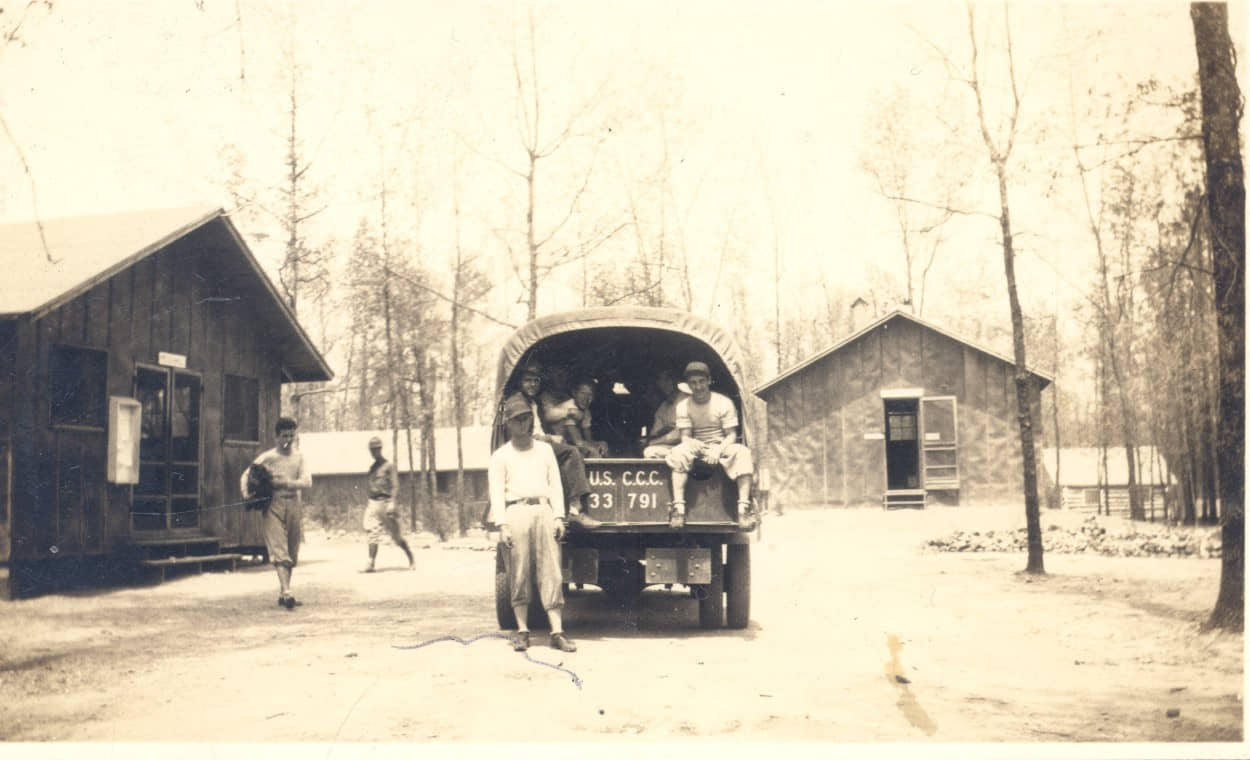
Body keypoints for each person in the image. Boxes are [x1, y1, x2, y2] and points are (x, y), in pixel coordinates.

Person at [488, 393, 578, 653]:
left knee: (551, 570)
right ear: (508, 423)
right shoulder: (501, 456)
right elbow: (496, 492)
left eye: (526, 418)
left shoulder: (545, 450)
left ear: (531, 420)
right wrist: (502, 524)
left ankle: (557, 632)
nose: (522, 424)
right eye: (516, 419)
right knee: (519, 572)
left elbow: (555, 485)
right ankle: (523, 631)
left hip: (543, 509)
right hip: (516, 511)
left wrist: (559, 516)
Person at [664, 361, 757, 530]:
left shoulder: (723, 403)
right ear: (688, 385)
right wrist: (692, 443)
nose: (698, 387)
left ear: (708, 381)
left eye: (701, 381)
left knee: (742, 452)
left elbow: (731, 435)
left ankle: (743, 509)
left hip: (722, 444)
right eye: (693, 383)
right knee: (677, 453)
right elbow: (685, 437)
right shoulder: (683, 406)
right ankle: (679, 509)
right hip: (698, 445)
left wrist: (718, 449)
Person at [513, 361, 601, 529]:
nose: (532, 385)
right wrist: (550, 439)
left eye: (536, 381)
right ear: (520, 382)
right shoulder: (518, 402)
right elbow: (525, 434)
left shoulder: (531, 402)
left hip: (538, 442)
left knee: (573, 452)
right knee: (572, 452)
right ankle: (575, 510)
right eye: (528, 380)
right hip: (528, 447)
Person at [243, 416, 312, 609]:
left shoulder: (300, 457)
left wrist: (286, 483)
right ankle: (288, 592)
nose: (288, 440)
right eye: (284, 436)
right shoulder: (268, 457)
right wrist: (247, 494)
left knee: (292, 552)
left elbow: (307, 481)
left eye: (291, 435)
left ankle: (283, 592)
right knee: (279, 550)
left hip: (294, 506)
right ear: (276, 437)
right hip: (273, 505)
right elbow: (246, 475)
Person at [361, 436, 415, 573]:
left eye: (376, 449)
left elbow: (395, 485)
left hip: (386, 502)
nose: (374, 452)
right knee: (371, 531)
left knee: (396, 536)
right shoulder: (372, 468)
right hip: (373, 502)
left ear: (380, 449)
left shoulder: (389, 466)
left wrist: (392, 502)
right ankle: (370, 563)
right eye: (372, 450)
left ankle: (411, 558)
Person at [642, 369, 688, 459]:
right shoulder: (663, 407)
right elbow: (655, 432)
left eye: (668, 379)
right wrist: (648, 440)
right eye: (660, 380)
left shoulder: (686, 400)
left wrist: (653, 442)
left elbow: (679, 435)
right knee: (649, 451)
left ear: (675, 380)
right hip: (672, 447)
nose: (664, 384)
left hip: (688, 446)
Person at [564, 378, 610, 458]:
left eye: (590, 394)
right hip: (562, 446)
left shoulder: (586, 411)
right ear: (574, 393)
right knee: (593, 452)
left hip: (572, 444)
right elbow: (578, 442)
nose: (586, 398)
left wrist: (600, 444)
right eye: (583, 393)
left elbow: (588, 439)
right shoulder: (570, 408)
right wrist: (594, 448)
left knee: (603, 445)